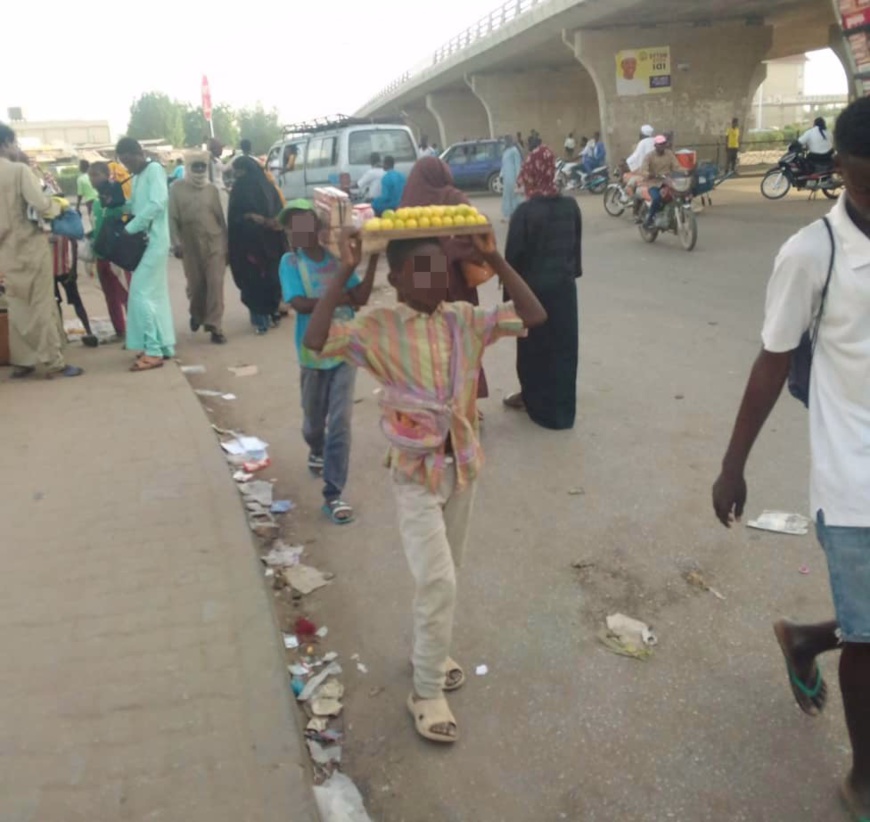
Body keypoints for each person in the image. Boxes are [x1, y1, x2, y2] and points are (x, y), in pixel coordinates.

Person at [302, 226, 546, 743]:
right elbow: (316, 339)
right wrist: (345, 270)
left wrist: (495, 259)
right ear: (397, 277)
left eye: (443, 269)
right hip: (415, 474)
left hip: (463, 468)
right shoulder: (379, 326)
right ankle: (426, 690)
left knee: (446, 573)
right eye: (423, 269)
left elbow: (534, 316)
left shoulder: (464, 319)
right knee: (438, 581)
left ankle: (426, 651)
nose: (437, 279)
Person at [711, 97, 870, 822]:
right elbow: (772, 362)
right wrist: (733, 464)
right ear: (841, 169)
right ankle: (864, 778)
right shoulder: (814, 252)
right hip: (856, 477)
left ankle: (805, 638)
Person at [278, 199, 376, 524]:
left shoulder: (337, 262)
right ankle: (315, 448)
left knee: (341, 422)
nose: (298, 231)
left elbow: (360, 298)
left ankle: (333, 493)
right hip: (312, 356)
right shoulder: (290, 263)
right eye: (292, 226)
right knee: (312, 422)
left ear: (319, 229)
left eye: (304, 223)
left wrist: (371, 258)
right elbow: (300, 304)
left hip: (344, 351)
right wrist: (338, 296)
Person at [399, 156, 492, 399]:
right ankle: (468, 400)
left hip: (418, 288)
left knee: (425, 342)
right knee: (462, 339)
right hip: (454, 284)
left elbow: (397, 251)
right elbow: (478, 237)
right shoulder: (453, 198)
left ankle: (431, 398)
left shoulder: (407, 203)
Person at [503, 146, 582, 430]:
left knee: (533, 350)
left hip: (531, 294)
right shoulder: (570, 206)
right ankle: (562, 411)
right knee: (563, 350)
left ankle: (534, 402)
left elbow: (511, 262)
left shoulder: (524, 212)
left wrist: (508, 302)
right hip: (563, 292)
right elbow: (575, 253)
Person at [0, 123, 82, 378]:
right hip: (30, 245)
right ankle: (53, 360)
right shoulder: (18, 171)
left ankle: (23, 361)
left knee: (16, 305)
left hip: (6, 250)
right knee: (42, 304)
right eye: (14, 143)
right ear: (5, 144)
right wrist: (59, 207)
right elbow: (41, 204)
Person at [116, 137, 176, 371]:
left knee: (140, 293)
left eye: (129, 160)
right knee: (156, 295)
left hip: (153, 241)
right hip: (147, 242)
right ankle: (163, 345)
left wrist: (130, 228)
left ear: (139, 153)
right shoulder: (140, 176)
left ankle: (153, 351)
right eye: (123, 163)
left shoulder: (154, 170)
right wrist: (118, 206)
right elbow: (138, 205)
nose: (127, 166)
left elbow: (157, 203)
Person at [169, 150, 228, 345]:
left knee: (215, 282)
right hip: (190, 244)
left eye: (203, 166)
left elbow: (222, 219)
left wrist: (228, 246)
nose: (200, 170)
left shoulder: (212, 190)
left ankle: (215, 326)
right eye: (196, 166)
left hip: (214, 242)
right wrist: (176, 243)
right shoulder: (177, 189)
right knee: (196, 286)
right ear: (188, 167)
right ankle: (196, 314)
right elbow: (172, 219)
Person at [227, 155, 285, 334]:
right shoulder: (269, 187)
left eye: (238, 170)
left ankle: (260, 319)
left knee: (252, 280)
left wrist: (252, 219)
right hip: (271, 244)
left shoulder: (239, 188)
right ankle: (272, 313)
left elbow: (234, 219)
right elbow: (280, 213)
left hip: (249, 246)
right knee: (271, 278)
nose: (236, 174)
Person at [87, 161, 132, 339]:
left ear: (107, 176)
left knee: (124, 293)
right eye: (90, 176)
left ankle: (136, 328)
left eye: (96, 175)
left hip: (116, 255)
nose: (92, 180)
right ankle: (119, 330)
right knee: (109, 295)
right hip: (101, 254)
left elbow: (123, 221)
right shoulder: (97, 204)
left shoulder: (118, 200)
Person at [640, 135, 682, 229]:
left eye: (663, 144)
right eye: (660, 144)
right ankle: (649, 220)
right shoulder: (649, 156)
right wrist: (649, 174)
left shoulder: (669, 154)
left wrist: (685, 171)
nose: (662, 146)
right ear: (655, 145)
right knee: (656, 199)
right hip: (654, 183)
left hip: (668, 182)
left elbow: (676, 166)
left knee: (681, 194)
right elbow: (643, 170)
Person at [500, 135, 523, 221]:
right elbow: (503, 165)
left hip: (513, 176)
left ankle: (516, 214)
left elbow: (518, 165)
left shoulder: (514, 151)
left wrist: (518, 178)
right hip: (506, 176)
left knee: (514, 195)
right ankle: (508, 214)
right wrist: (501, 175)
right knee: (507, 195)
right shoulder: (505, 151)